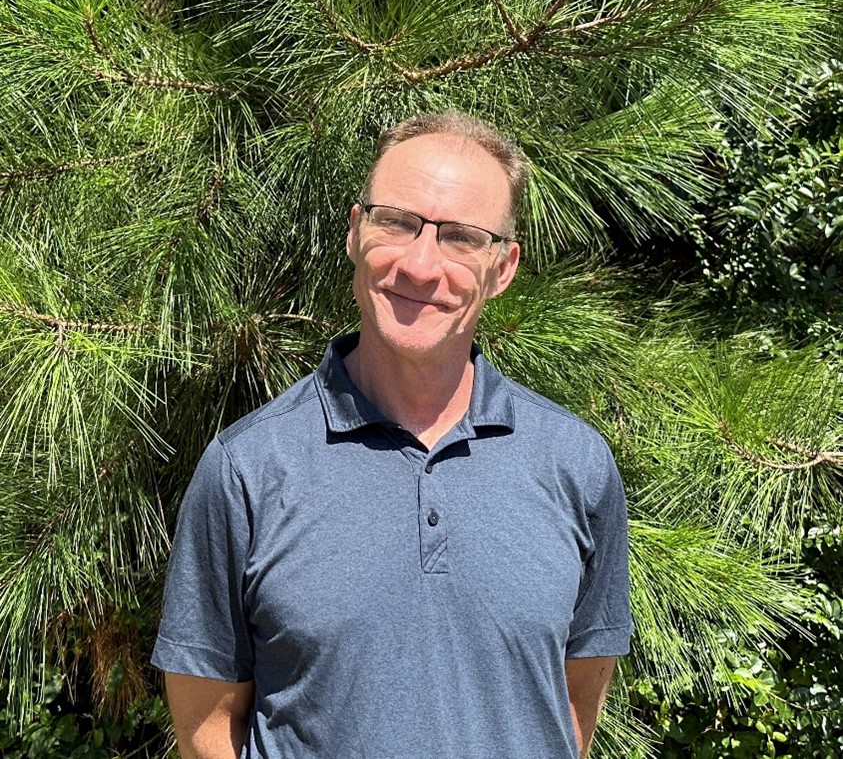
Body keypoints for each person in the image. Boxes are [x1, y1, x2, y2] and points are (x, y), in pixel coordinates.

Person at [152, 111, 633, 759]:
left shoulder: (575, 464)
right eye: (396, 222)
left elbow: (570, 704)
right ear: (354, 232)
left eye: (462, 237)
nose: (420, 264)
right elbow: (205, 727)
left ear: (503, 266)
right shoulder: (246, 468)